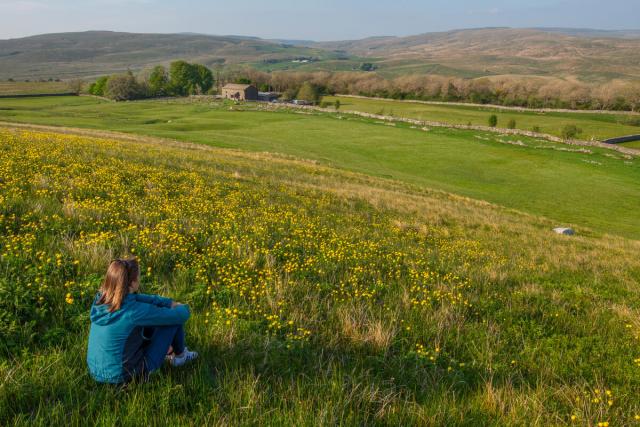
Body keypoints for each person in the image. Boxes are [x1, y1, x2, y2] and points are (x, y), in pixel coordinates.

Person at [86, 257, 198, 384]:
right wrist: (182, 307)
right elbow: (180, 316)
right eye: (139, 276)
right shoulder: (134, 311)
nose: (140, 279)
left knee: (147, 324)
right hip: (124, 376)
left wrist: (167, 302)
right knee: (172, 320)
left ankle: (171, 351)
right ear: (132, 283)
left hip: (95, 372)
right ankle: (180, 357)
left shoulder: (101, 300)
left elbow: (138, 297)